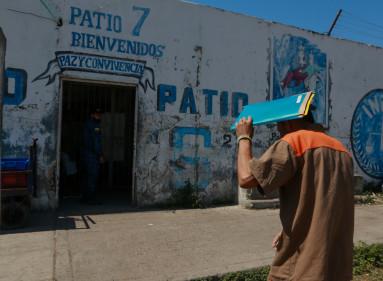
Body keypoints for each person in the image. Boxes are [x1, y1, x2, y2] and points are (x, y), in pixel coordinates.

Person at [235, 111, 354, 281]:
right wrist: (289, 229)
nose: (280, 133)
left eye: (279, 127)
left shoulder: (294, 141)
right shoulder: (342, 150)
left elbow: (246, 178)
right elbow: (324, 202)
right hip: (336, 265)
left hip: (304, 266)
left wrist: (244, 138)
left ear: (288, 124)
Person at [81, 108, 104, 204]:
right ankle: (90, 199)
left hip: (87, 153)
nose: (99, 116)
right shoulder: (93, 125)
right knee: (92, 176)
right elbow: (95, 142)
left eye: (99, 114)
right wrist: (100, 155)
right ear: (92, 115)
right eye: (97, 114)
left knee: (88, 176)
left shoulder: (88, 124)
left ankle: (86, 197)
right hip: (92, 154)